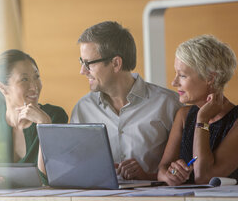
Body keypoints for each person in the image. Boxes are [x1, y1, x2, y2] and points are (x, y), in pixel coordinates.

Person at [70, 21, 182, 180]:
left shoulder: (169, 105)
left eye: (88, 63)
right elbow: (73, 168)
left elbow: (187, 171)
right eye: (82, 62)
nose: (83, 71)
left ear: (116, 63)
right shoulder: (82, 109)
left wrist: (148, 176)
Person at [157, 35, 238, 186]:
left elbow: (204, 177)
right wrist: (172, 174)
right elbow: (161, 170)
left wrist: (202, 120)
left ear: (210, 78)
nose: (174, 82)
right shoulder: (183, 115)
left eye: (182, 75)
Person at [0, 49, 68, 189]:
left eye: (36, 77)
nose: (34, 86)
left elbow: (49, 178)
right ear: (3, 88)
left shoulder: (54, 116)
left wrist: (45, 125)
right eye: (24, 79)